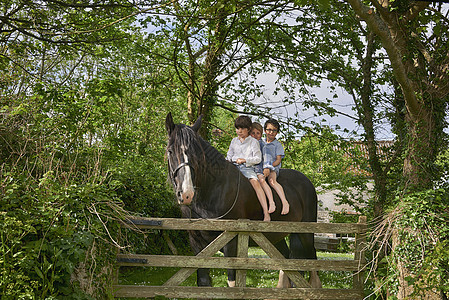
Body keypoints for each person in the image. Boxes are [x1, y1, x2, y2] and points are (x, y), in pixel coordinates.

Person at [226, 115, 271, 221]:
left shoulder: (253, 142)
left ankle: (266, 212)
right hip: (233, 167)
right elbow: (229, 155)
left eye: (242, 129)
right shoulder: (234, 141)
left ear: (248, 129)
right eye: (237, 128)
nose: (239, 131)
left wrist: (245, 160)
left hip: (247, 168)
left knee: (256, 183)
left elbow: (258, 158)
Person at [262, 119, 289, 215]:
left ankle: (283, 202)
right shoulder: (261, 142)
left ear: (277, 132)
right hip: (261, 167)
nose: (271, 132)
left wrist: (268, 167)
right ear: (265, 130)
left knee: (271, 181)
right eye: (269, 130)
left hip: (272, 167)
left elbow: (278, 160)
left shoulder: (277, 145)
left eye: (274, 130)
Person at [250, 122, 276, 214]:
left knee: (262, 181)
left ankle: (271, 202)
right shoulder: (249, 144)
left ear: (261, 134)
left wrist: (266, 167)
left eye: (258, 133)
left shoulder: (263, 145)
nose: (255, 135)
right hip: (250, 169)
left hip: (259, 168)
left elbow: (267, 157)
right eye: (253, 133)